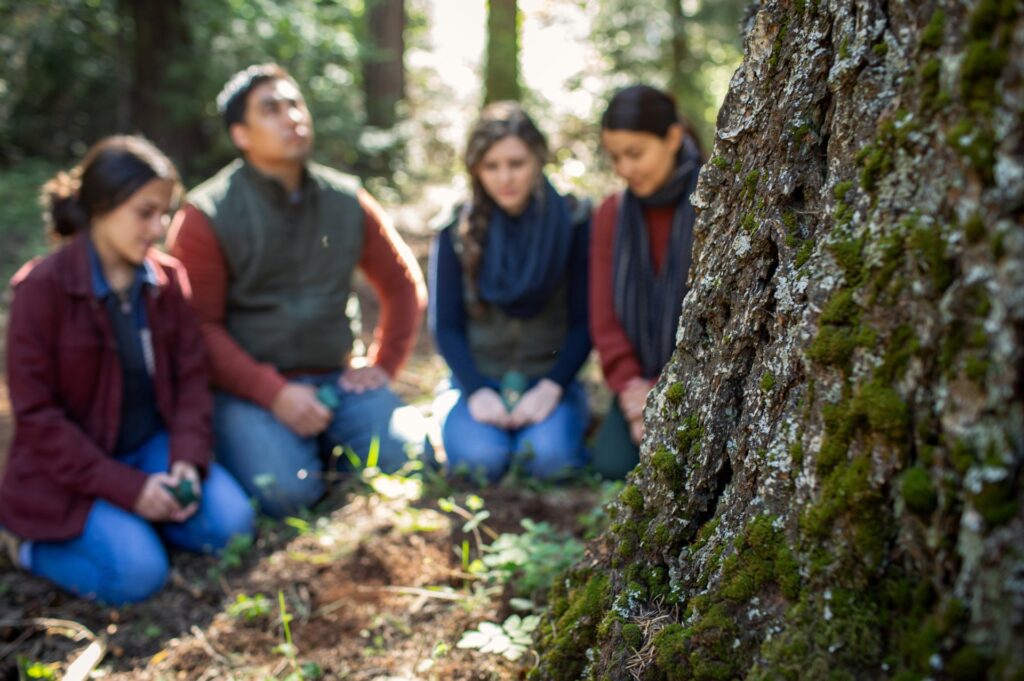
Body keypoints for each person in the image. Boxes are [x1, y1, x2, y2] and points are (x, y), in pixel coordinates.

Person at [167, 63, 430, 518]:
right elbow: (197, 328)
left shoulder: (345, 198)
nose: (292, 116)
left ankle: (327, 442)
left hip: (337, 380)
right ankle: (289, 450)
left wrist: (385, 365)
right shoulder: (207, 214)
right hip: (250, 392)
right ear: (241, 135)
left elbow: (402, 285)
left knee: (414, 458)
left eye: (295, 103)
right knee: (287, 495)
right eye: (271, 109)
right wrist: (273, 393)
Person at [0, 136, 255, 605]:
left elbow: (192, 379)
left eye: (166, 213)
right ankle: (28, 544)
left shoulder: (167, 280)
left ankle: (136, 525)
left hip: (148, 449)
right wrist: (128, 490)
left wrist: (187, 456)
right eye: (145, 212)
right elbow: (37, 417)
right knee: (138, 575)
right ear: (100, 205)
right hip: (70, 473)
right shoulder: (40, 290)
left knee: (231, 525)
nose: (158, 227)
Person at [429, 101, 592, 483]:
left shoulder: (574, 221)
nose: (505, 178)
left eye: (516, 163)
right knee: (479, 462)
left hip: (549, 380)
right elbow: (446, 326)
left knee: (548, 461)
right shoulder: (456, 228)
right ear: (476, 169)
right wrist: (474, 390)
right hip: (480, 378)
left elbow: (585, 322)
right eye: (491, 166)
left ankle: (569, 416)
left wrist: (553, 387)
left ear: (537, 159)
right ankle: (448, 412)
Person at [590, 85, 704, 479]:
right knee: (612, 465)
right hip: (634, 385)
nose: (624, 169)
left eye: (634, 153)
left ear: (672, 137)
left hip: (702, 380)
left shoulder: (716, 200)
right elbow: (604, 320)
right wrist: (633, 391)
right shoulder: (612, 213)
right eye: (615, 157)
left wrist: (663, 389)